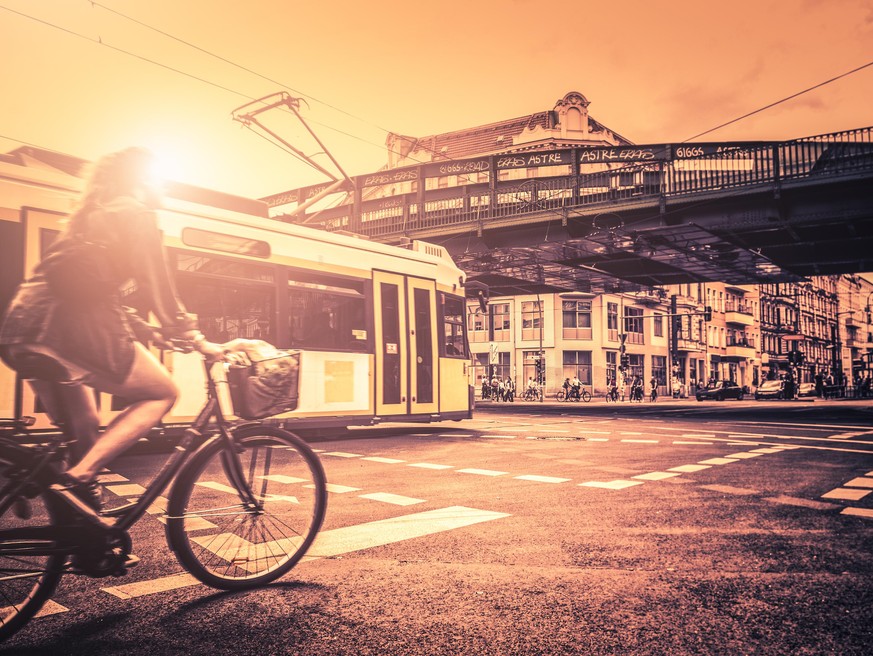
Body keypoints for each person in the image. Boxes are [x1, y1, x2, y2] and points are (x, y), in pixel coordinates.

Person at [0, 147, 230, 511]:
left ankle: (76, 523)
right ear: (142, 179)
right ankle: (83, 476)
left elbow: (83, 286)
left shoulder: (90, 216)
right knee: (161, 393)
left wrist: (148, 331)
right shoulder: (136, 213)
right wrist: (195, 338)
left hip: (21, 328)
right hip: (69, 331)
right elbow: (158, 285)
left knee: (85, 426)